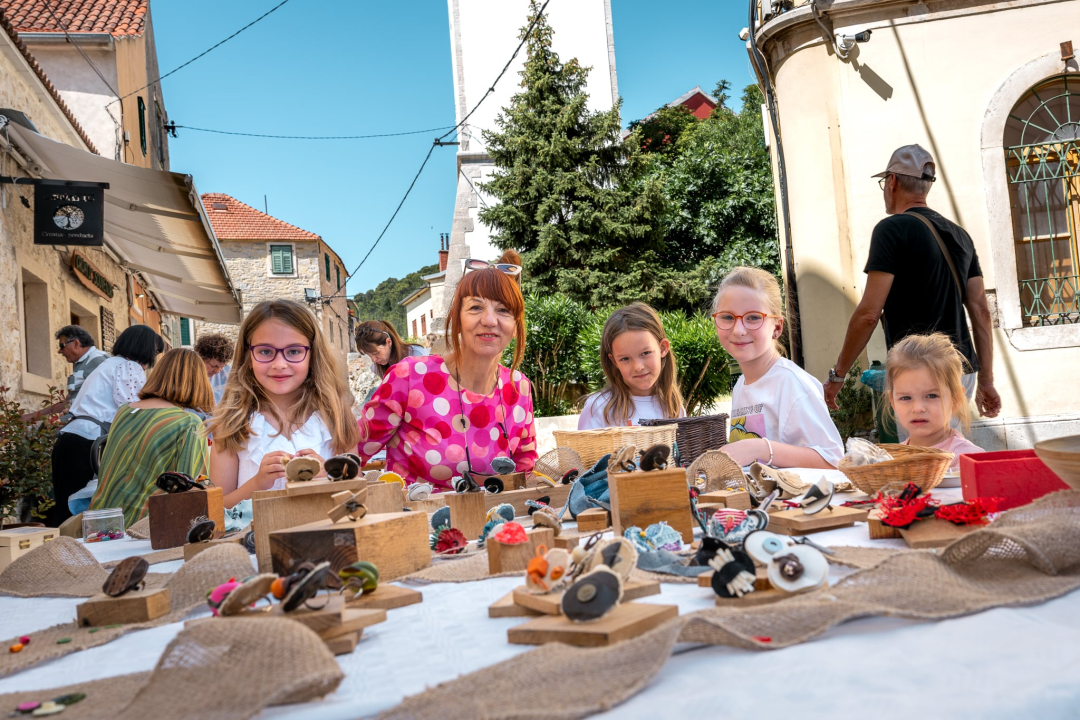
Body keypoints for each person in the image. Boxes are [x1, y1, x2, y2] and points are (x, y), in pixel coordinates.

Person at [824, 144, 1001, 425]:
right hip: (962, 370)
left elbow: (869, 314)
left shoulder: (891, 229)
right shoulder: (960, 235)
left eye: (884, 182)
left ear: (892, 181)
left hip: (919, 373)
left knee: (924, 464)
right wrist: (986, 380)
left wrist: (838, 375)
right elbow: (981, 311)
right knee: (948, 456)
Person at [358, 250, 538, 489]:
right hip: (417, 522)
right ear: (457, 319)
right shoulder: (409, 377)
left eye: (504, 310)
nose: (490, 321)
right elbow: (351, 452)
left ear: (515, 326)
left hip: (495, 523)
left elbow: (524, 474)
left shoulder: (519, 388)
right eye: (476, 308)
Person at [208, 300, 359, 530]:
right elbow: (216, 511)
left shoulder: (336, 416)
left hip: (329, 544)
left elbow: (357, 500)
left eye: (294, 351)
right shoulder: (232, 423)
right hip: (254, 552)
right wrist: (258, 483)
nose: (279, 364)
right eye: (266, 351)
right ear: (248, 356)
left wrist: (328, 478)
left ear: (312, 354)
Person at [713, 267, 843, 469]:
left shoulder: (792, 384)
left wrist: (761, 449)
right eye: (727, 317)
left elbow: (833, 461)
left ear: (777, 327)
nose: (738, 330)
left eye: (753, 317)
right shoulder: (741, 385)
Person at [43, 324, 163, 527]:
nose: (154, 358)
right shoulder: (128, 366)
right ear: (144, 348)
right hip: (86, 443)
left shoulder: (110, 364)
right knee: (81, 514)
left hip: (71, 437)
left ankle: (60, 555)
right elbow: (132, 410)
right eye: (155, 351)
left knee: (65, 511)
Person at [88, 349, 213, 526]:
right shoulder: (188, 422)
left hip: (100, 521)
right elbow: (194, 487)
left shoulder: (124, 411)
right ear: (198, 382)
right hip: (146, 526)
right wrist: (213, 482)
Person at [885, 333, 984, 471]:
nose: (918, 408)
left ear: (956, 399)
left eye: (931, 395)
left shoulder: (968, 459)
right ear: (893, 402)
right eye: (905, 398)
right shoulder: (889, 461)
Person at [577, 303, 685, 429]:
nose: (637, 367)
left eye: (645, 353)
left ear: (663, 348)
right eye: (625, 358)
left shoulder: (674, 407)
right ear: (614, 361)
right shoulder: (598, 408)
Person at [355, 320, 428, 380]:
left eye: (375, 353)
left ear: (388, 342)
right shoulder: (378, 367)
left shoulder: (418, 356)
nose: (373, 360)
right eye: (369, 355)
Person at [56, 325, 109, 404]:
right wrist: (34, 416)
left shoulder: (97, 360)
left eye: (62, 346)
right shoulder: (83, 362)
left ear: (76, 343)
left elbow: (109, 395)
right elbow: (71, 401)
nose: (60, 351)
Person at [194, 333, 234, 405]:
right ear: (201, 358)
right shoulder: (187, 374)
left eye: (222, 366)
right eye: (214, 366)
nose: (218, 371)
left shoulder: (228, 374)